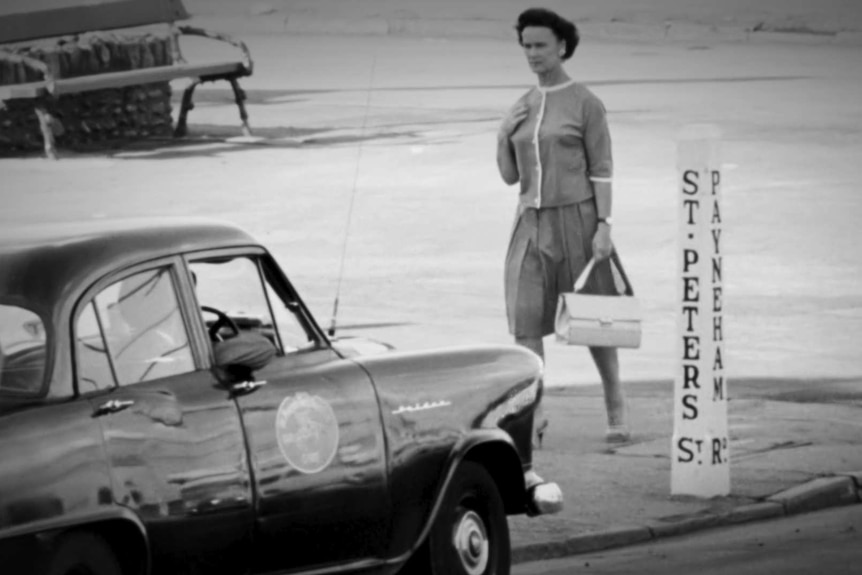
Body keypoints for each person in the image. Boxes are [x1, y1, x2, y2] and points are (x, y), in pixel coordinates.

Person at [496, 7, 630, 444]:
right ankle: (535, 413)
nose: (532, 54)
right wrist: (502, 135)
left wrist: (604, 225)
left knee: (594, 321)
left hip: (579, 219)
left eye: (540, 45)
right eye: (526, 46)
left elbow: (603, 168)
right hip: (529, 223)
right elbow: (510, 176)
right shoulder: (523, 104)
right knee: (525, 324)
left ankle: (616, 409)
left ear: (562, 47)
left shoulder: (586, 103)